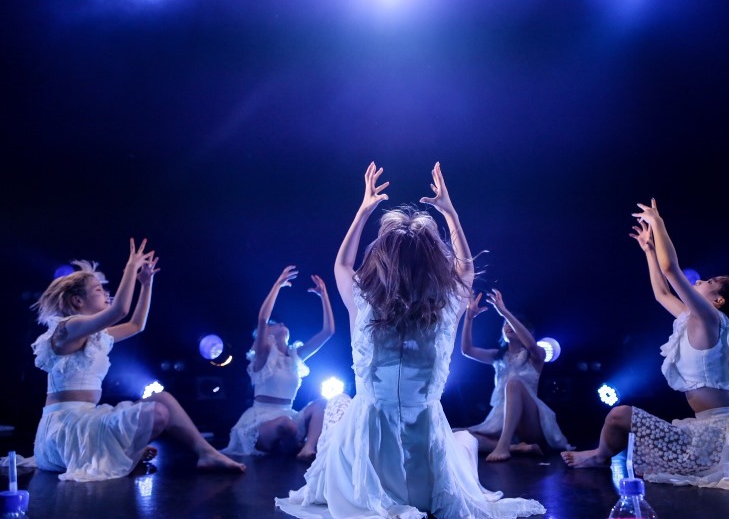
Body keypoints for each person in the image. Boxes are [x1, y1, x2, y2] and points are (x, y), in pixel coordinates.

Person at [276, 162, 546, 518]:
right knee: (463, 442)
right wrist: (450, 213)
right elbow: (466, 268)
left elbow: (342, 266)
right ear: (433, 262)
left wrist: (364, 210)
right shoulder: (447, 306)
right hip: (425, 476)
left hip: (367, 471)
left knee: (341, 405)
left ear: (382, 259)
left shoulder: (364, 302)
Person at [561, 199, 729, 489]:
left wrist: (658, 223)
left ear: (718, 301)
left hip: (724, 433)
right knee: (618, 417)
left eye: (709, 281)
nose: (699, 281)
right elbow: (662, 294)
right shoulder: (695, 319)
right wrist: (649, 251)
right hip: (706, 429)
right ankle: (600, 455)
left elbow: (671, 270)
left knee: (619, 414)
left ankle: (600, 455)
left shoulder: (711, 319)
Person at [30, 239, 246, 482]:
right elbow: (120, 311)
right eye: (98, 290)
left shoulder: (94, 335)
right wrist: (131, 268)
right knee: (157, 412)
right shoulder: (68, 328)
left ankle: (206, 453)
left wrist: (146, 284)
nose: (106, 294)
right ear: (77, 301)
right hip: (65, 431)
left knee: (162, 400)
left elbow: (135, 325)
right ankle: (123, 453)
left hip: (87, 421)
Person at [221, 266, 335, 462]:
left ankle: (307, 448)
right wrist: (278, 285)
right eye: (274, 325)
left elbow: (328, 332)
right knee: (286, 424)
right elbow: (262, 319)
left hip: (288, 415)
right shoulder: (263, 357)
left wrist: (324, 296)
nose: (280, 324)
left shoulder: (295, 357)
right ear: (266, 336)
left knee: (322, 404)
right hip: (263, 419)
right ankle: (291, 445)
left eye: (281, 323)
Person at [461, 289, 572, 462]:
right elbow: (467, 350)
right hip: (501, 420)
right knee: (460, 435)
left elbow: (532, 346)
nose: (508, 325)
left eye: (512, 323)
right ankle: (516, 447)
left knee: (513, 384)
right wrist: (468, 319)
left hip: (530, 422)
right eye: (505, 323)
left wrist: (504, 312)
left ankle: (504, 446)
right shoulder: (498, 356)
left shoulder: (536, 355)